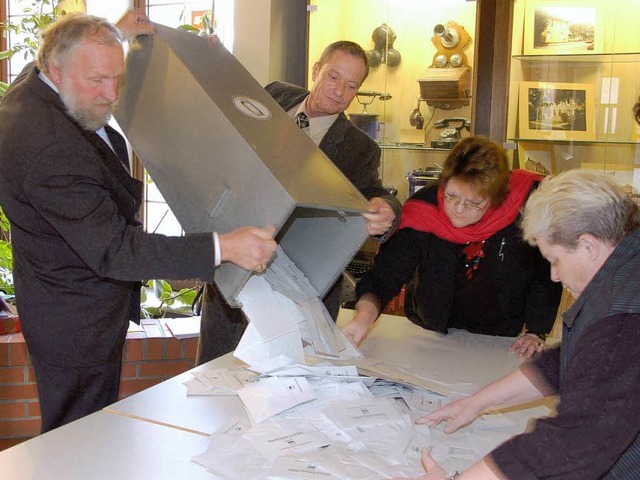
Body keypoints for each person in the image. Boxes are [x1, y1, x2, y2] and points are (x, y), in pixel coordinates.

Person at [0, 12, 277, 433]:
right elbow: (116, 249)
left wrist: (114, 33)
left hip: (60, 298)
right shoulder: (50, 149)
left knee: (79, 428)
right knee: (78, 434)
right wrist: (224, 247)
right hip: (75, 321)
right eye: (97, 80)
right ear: (55, 69)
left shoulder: (30, 87)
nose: (111, 94)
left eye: (117, 76)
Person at [401, 168, 640, 479]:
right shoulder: (624, 268)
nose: (554, 276)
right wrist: (477, 402)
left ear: (588, 245)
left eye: (555, 260)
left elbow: (573, 441)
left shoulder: (622, 318)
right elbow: (573, 357)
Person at [195, 40, 402, 365]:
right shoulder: (275, 94)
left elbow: (377, 193)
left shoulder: (359, 148)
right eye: (333, 77)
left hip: (299, 286)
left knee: (285, 389)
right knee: (215, 376)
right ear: (316, 70)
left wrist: (388, 209)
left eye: (352, 86)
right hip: (234, 269)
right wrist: (214, 67)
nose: (339, 91)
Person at [342, 136, 563, 359]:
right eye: (451, 196)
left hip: (498, 336)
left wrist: (536, 331)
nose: (458, 209)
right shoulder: (424, 210)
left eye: (474, 203)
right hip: (430, 330)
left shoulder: (523, 211)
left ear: (496, 199)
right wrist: (364, 316)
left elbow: (543, 275)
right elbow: (385, 275)